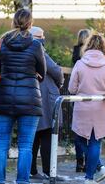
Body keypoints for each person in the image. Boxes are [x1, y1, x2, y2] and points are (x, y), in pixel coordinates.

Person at [0, 9, 46, 184]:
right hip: (29, 99)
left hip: (4, 97)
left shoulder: (2, 43)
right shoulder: (36, 45)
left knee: (1, 144)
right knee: (25, 146)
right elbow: (42, 72)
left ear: (13, 22)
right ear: (30, 24)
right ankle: (22, 181)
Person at [68, 33, 105, 184]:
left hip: (82, 107)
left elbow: (71, 89)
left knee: (80, 140)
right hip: (101, 108)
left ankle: (97, 170)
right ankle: (91, 176)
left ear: (87, 46)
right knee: (95, 142)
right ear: (104, 47)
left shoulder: (79, 63)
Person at [28, 26, 64, 181]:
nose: (43, 38)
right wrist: (60, 82)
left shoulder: (23, 51)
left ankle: (32, 170)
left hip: (29, 97)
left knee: (33, 137)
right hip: (45, 98)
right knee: (47, 136)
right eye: (41, 36)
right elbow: (55, 70)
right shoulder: (39, 50)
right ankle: (49, 172)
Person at [71, 28, 91, 172]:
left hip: (79, 95)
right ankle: (92, 162)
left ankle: (79, 162)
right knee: (94, 134)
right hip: (95, 97)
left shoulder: (76, 53)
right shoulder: (95, 53)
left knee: (79, 132)